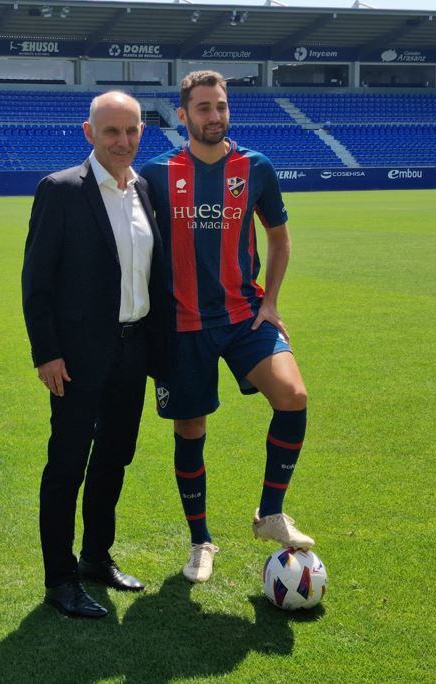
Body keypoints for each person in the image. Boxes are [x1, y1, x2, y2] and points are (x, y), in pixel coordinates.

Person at [140, 71, 314, 583]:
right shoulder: (156, 173)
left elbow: (279, 240)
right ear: (183, 115)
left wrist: (272, 302)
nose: (214, 116)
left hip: (244, 316)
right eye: (202, 108)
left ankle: (271, 513)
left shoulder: (255, 167)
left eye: (220, 106)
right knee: (191, 429)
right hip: (182, 326)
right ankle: (200, 542)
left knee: (293, 395)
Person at [22, 91, 167, 617]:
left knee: (114, 459)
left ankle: (96, 557)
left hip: (133, 350)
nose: (123, 141)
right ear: (89, 133)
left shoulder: (144, 190)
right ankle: (60, 579)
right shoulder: (60, 190)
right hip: (77, 358)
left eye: (131, 131)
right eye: (111, 131)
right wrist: (47, 353)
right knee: (67, 465)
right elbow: (36, 281)